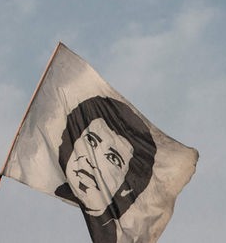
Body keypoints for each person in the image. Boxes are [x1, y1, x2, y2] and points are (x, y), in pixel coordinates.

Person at [54, 96, 157, 243]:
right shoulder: (49, 186)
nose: (92, 161)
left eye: (113, 158)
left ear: (125, 189)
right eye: (91, 140)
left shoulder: (115, 236)